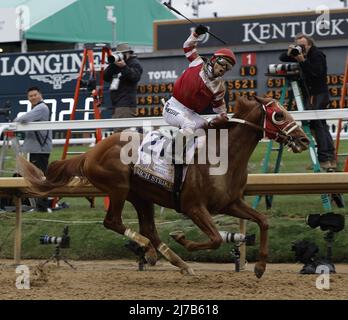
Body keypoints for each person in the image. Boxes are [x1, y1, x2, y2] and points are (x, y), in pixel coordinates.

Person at [162, 24, 236, 162]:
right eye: (223, 64)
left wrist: (224, 117)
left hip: (190, 113)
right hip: (172, 107)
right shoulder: (197, 62)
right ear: (214, 60)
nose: (223, 69)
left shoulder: (219, 87)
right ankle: (171, 153)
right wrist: (196, 34)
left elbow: (220, 108)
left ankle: (196, 160)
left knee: (206, 129)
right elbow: (187, 46)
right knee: (189, 125)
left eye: (228, 68)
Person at [279, 33, 336, 170]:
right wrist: (291, 52)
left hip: (318, 94)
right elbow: (282, 57)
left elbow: (315, 72)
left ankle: (324, 158)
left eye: (303, 46)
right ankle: (329, 157)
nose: (301, 48)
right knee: (320, 125)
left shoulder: (318, 55)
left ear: (310, 45)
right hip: (310, 94)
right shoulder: (300, 53)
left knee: (317, 125)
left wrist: (302, 60)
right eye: (298, 46)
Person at [14, 86, 52, 212]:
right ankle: (38, 204)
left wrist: (15, 121)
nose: (33, 97)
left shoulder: (41, 108)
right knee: (37, 177)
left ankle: (42, 206)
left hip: (39, 150)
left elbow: (22, 119)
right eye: (30, 96)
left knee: (40, 178)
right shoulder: (38, 108)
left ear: (40, 95)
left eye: (35, 95)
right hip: (36, 149)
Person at [103, 43, 143, 131]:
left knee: (121, 134)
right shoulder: (116, 65)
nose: (120, 56)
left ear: (128, 53)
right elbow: (105, 77)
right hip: (116, 104)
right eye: (118, 54)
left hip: (126, 104)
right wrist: (113, 64)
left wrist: (124, 66)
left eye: (122, 54)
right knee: (119, 134)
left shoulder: (134, 63)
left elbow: (135, 77)